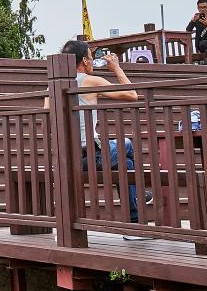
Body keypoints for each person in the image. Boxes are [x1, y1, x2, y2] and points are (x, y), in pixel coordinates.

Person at [59, 39, 151, 240]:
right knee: (127, 144)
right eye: (90, 57)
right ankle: (136, 212)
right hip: (90, 156)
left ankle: (136, 217)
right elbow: (132, 95)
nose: (92, 61)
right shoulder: (90, 81)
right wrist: (116, 68)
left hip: (65, 158)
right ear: (84, 60)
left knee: (126, 164)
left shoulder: (53, 87)